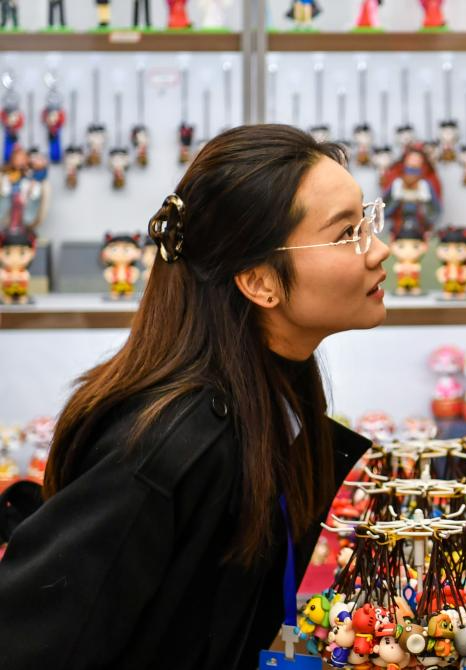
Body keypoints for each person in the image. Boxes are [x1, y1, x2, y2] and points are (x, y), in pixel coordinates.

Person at [0, 124, 389, 669]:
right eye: (347, 233)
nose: (380, 250)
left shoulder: (274, 394)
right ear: (259, 282)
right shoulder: (170, 447)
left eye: (367, 220)